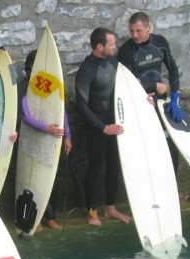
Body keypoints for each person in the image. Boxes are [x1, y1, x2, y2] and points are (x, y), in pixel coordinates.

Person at [118, 11, 186, 197]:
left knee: (170, 144)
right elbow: (127, 83)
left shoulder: (160, 43)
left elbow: (173, 70)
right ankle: (149, 193)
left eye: (138, 30)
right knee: (147, 149)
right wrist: (153, 86)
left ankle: (172, 190)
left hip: (159, 103)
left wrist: (175, 99)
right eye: (131, 31)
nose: (134, 35)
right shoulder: (126, 51)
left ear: (149, 27)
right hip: (138, 105)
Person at [75, 27, 131, 227]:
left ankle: (111, 208)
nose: (115, 46)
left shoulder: (113, 62)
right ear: (100, 46)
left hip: (115, 126)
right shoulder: (87, 70)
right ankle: (92, 212)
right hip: (97, 128)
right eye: (111, 43)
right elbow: (81, 105)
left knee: (114, 167)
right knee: (95, 168)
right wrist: (102, 127)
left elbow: (127, 88)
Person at [18, 50, 73, 231]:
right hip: (30, 138)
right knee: (32, 178)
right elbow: (25, 115)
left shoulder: (51, 83)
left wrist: (68, 135)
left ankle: (50, 216)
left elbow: (61, 109)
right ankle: (36, 218)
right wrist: (45, 128)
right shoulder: (23, 86)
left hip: (52, 140)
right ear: (32, 66)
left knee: (52, 180)